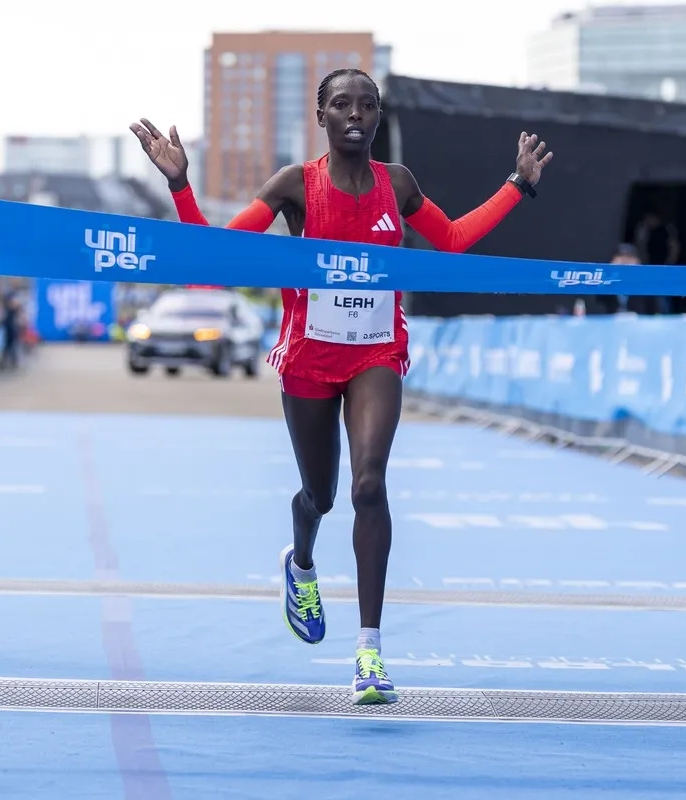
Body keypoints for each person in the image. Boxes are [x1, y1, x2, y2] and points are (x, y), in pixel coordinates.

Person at [131, 68, 552, 705]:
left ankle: (369, 654)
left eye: (367, 105)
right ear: (321, 116)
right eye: (342, 104)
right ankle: (300, 562)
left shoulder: (397, 184)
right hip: (309, 358)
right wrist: (180, 184)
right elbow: (216, 260)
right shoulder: (294, 185)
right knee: (320, 496)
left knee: (369, 485)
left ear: (377, 117)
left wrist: (517, 185)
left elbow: (453, 241)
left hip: (376, 352)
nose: (355, 114)